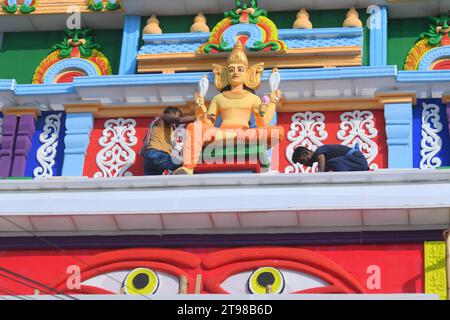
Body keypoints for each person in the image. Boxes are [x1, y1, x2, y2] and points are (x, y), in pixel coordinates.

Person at [173, 42, 284, 175]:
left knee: (278, 131)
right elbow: (208, 122)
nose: (235, 72)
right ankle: (188, 167)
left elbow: (263, 123)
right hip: (222, 133)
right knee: (193, 127)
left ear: (247, 74)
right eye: (231, 70)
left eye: (240, 69)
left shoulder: (253, 98)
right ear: (226, 74)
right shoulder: (218, 98)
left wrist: (272, 102)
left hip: (244, 133)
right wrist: (200, 107)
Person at [141, 107, 196, 175]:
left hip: (149, 158)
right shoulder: (163, 117)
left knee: (152, 183)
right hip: (157, 154)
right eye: (178, 115)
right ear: (171, 113)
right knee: (186, 164)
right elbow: (179, 120)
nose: (178, 117)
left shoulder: (158, 125)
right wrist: (199, 117)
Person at [291, 144, 369, 172]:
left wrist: (319, 177)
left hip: (358, 159)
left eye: (302, 161)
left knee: (330, 163)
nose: (304, 164)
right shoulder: (325, 162)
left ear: (306, 154)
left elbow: (321, 161)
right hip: (359, 164)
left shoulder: (319, 151)